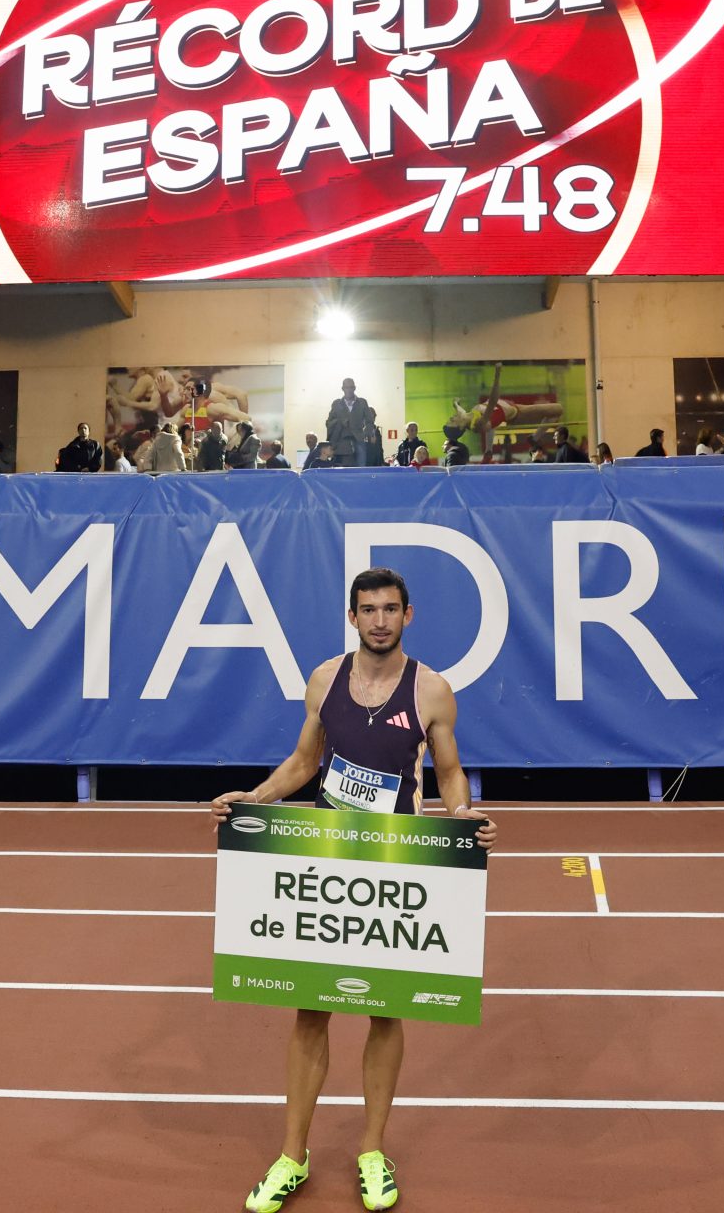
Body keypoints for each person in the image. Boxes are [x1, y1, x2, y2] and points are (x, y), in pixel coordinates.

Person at [211, 568, 496, 1213]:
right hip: (328, 860)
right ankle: (292, 1156)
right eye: (369, 610)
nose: (380, 621)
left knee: (384, 1009)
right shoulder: (324, 680)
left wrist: (461, 818)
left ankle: (371, 1150)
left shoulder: (431, 690)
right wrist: (255, 798)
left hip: (394, 864)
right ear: (353, 617)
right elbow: (304, 762)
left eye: (391, 609)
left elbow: (450, 772)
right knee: (310, 1009)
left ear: (407, 615)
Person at [326, 379, 378, 467]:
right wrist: (340, 421)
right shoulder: (336, 404)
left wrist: (365, 434)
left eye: (351, 387)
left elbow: (370, 421)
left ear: (354, 388)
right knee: (341, 471)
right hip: (341, 442)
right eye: (347, 387)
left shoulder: (362, 402)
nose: (349, 390)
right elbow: (328, 423)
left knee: (360, 469)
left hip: (359, 441)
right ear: (342, 388)